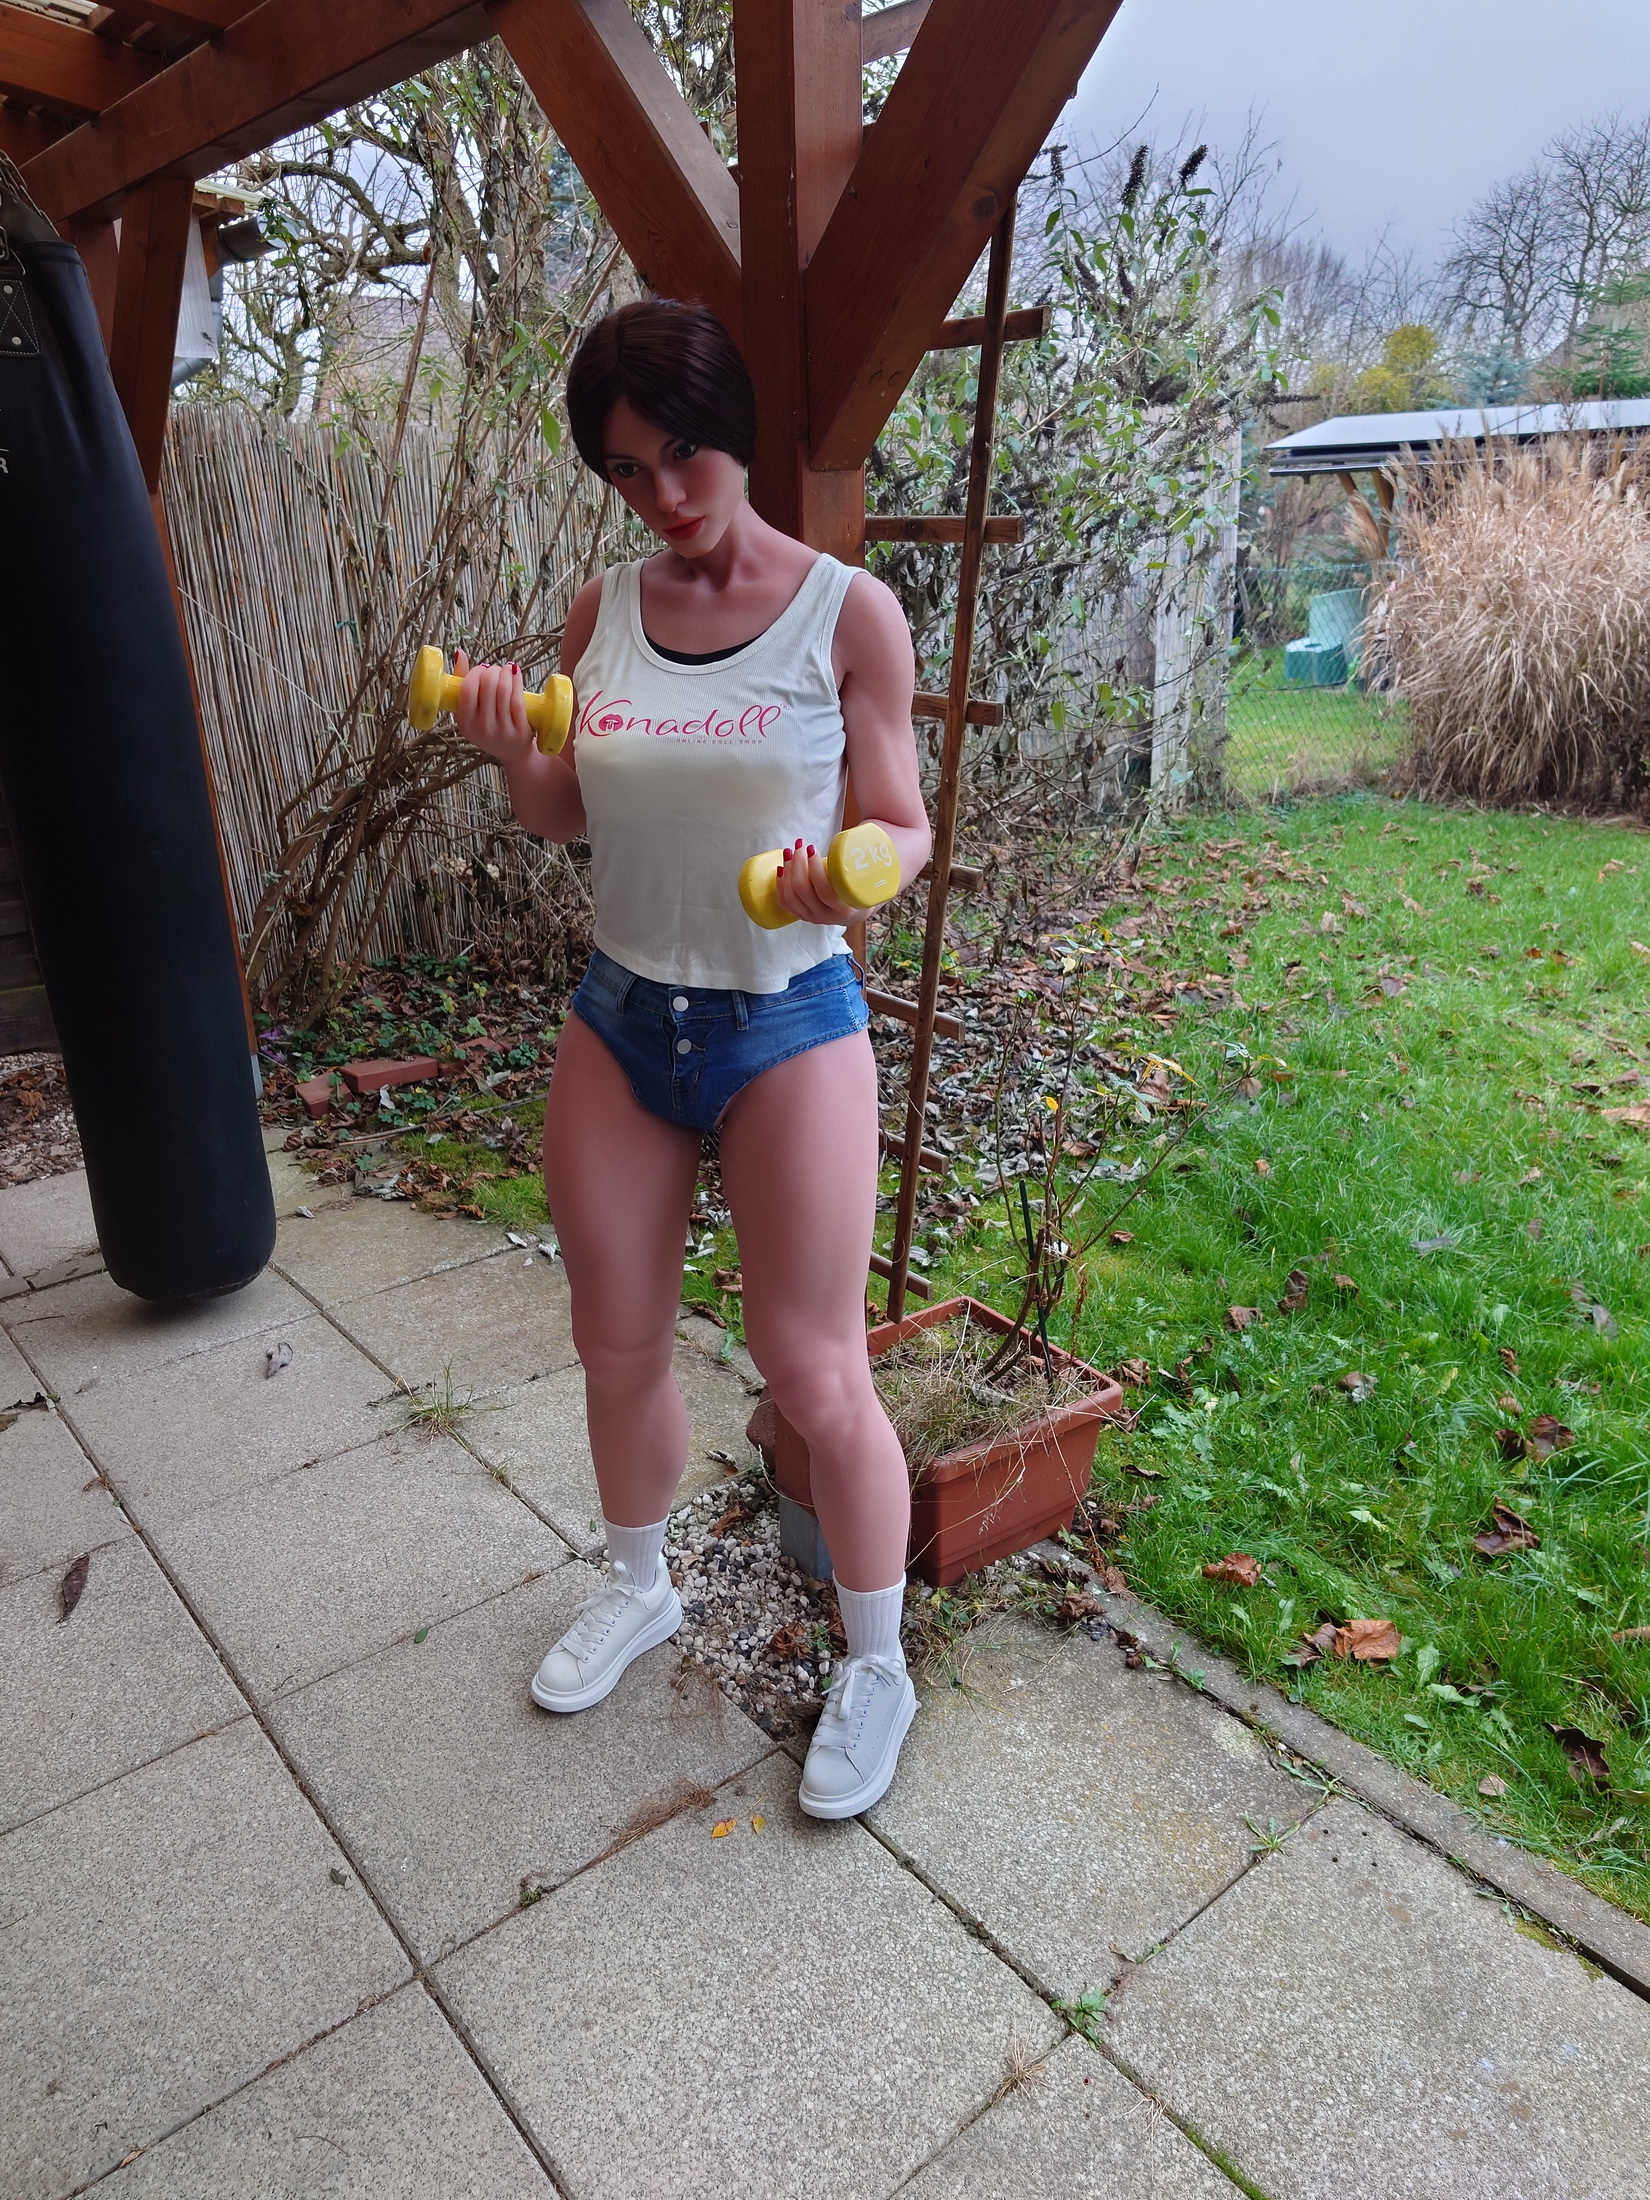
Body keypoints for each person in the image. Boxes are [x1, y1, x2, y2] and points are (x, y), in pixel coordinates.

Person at [452, 297, 932, 1819]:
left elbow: (905, 821)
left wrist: (845, 872)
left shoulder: (846, 613)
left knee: (816, 1369)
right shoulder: (601, 610)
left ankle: (877, 1664)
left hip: (785, 1019)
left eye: (682, 454)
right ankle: (639, 1584)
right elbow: (565, 810)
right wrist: (510, 746)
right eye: (625, 469)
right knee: (616, 1340)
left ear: (735, 430)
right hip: (622, 1016)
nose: (662, 494)